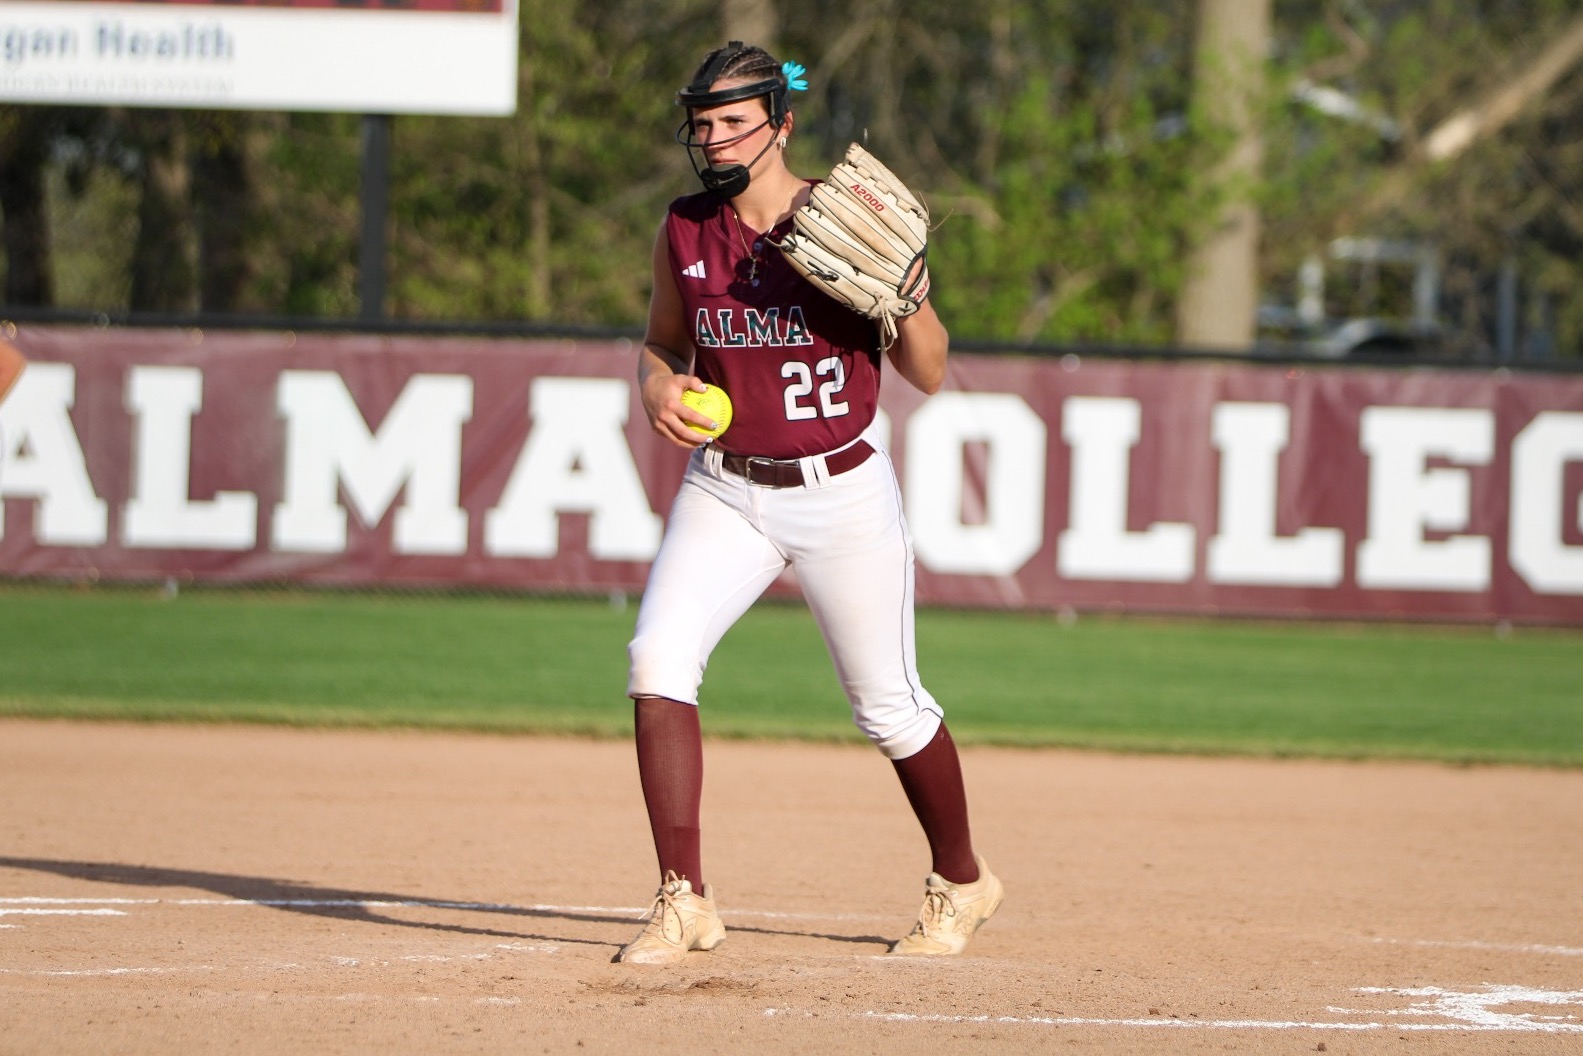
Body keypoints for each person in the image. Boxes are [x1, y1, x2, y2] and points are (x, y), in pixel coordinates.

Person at [618, 41, 1002, 965]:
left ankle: (961, 879)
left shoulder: (845, 218)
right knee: (656, 658)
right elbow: (662, 345)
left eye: (731, 121)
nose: (711, 139)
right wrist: (659, 389)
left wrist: (908, 297)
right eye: (700, 123)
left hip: (840, 489)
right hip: (726, 487)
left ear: (779, 126)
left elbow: (932, 372)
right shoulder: (682, 228)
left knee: (889, 709)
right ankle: (684, 899)